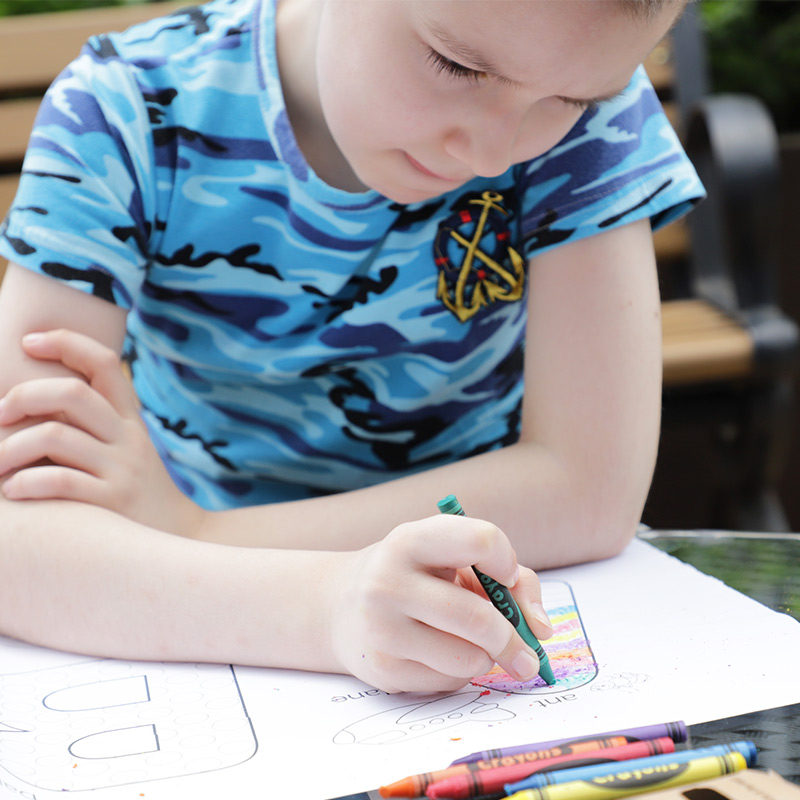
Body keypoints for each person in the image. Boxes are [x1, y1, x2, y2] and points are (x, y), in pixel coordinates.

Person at [0, 0, 702, 693]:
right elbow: (18, 542)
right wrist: (326, 605)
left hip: (190, 565)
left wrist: (197, 534)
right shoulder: (124, 109)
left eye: (571, 99)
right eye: (455, 65)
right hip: (207, 624)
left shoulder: (587, 108)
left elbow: (590, 491)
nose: (491, 152)